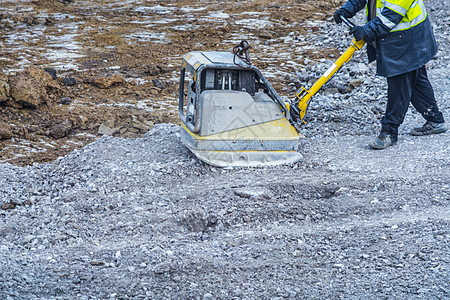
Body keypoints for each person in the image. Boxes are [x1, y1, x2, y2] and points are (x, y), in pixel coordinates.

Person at [334, 0, 447, 149]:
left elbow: (391, 16)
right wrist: (348, 9)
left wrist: (367, 30)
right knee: (416, 78)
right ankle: (435, 119)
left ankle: (389, 131)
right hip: (400, 36)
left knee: (399, 84)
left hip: (408, 37)